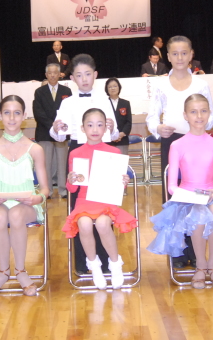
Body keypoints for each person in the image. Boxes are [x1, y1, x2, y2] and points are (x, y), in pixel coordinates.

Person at [147, 94, 213, 289]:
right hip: (187, 197)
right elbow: (172, 186)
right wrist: (192, 196)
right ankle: (201, 265)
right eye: (193, 112)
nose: (199, 116)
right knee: (198, 212)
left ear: (209, 113)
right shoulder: (177, 145)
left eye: (203, 111)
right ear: (185, 115)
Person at [146, 35, 213, 268]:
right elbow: (152, 117)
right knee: (175, 198)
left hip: (197, 143)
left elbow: (211, 116)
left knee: (198, 196)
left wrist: (200, 124)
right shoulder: (160, 84)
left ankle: (197, 252)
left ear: (191, 54)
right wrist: (158, 128)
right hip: (172, 143)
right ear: (168, 56)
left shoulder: (200, 84)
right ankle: (177, 251)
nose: (179, 58)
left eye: (184, 53)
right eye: (175, 54)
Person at [50, 53, 119, 273]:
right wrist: (57, 128)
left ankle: (107, 263)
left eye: (88, 74)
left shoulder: (104, 100)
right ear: (72, 78)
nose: (84, 79)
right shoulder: (67, 102)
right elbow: (57, 135)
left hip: (103, 153)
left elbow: (115, 133)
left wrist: (112, 128)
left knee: (104, 210)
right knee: (80, 211)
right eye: (79, 75)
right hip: (78, 153)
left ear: (95, 75)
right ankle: (83, 263)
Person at [0, 96, 49, 296]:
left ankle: (20, 271)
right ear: (0, 115)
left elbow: (45, 189)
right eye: (7, 113)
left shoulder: (35, 149)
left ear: (24, 116)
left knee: (17, 214)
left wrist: (38, 198)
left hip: (28, 205)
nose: (12, 118)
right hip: (0, 204)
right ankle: (3, 271)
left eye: (17, 113)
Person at [62, 108, 137, 289]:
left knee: (103, 224)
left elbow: (118, 187)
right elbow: (72, 188)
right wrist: (70, 180)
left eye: (99, 125)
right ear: (82, 128)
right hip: (84, 201)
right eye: (90, 125)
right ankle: (94, 266)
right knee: (84, 224)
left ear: (106, 128)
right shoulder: (75, 153)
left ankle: (115, 264)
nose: (95, 129)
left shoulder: (114, 152)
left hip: (105, 201)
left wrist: (123, 182)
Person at [32, 63, 72, 198]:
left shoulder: (66, 91)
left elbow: (69, 112)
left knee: (62, 163)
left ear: (60, 74)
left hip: (62, 132)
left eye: (55, 72)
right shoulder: (39, 92)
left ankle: (63, 190)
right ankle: (47, 190)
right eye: (50, 73)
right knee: (46, 164)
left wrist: (59, 127)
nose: (53, 75)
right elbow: (38, 113)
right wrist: (53, 126)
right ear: (46, 75)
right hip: (45, 132)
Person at [105, 78, 132, 155]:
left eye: (115, 86)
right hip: (108, 140)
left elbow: (128, 122)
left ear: (119, 87)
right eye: (110, 87)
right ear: (107, 89)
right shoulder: (104, 103)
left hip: (122, 139)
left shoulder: (125, 103)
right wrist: (112, 135)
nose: (112, 88)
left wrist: (121, 134)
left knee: (122, 161)